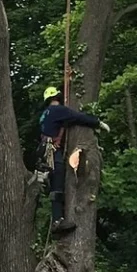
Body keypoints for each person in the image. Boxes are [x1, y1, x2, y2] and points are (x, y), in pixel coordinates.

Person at [38, 86, 110, 235]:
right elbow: (78, 117)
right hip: (52, 151)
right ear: (57, 97)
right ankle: (57, 221)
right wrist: (97, 122)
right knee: (58, 183)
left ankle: (58, 218)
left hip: (45, 151)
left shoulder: (45, 115)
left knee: (55, 184)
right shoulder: (58, 111)